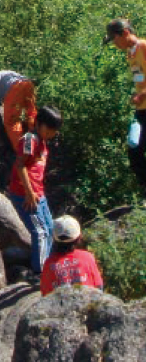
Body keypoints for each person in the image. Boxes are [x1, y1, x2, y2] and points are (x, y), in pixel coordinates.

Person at [8, 105, 62, 274]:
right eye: (49, 128)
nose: (51, 133)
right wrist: (29, 193)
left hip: (39, 193)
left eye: (54, 130)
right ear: (38, 123)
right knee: (40, 232)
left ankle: (47, 264)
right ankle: (41, 272)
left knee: (50, 228)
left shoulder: (43, 141)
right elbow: (20, 164)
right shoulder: (30, 140)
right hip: (25, 194)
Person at [103, 18, 146, 194]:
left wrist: (142, 94)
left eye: (114, 39)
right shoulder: (131, 53)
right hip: (142, 108)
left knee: (136, 150)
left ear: (125, 33)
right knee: (134, 150)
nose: (114, 43)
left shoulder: (143, 46)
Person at [40, 215, 103, 296]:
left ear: (54, 239)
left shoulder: (49, 263)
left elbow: (45, 293)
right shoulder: (88, 257)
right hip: (87, 303)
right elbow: (99, 286)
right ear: (79, 238)